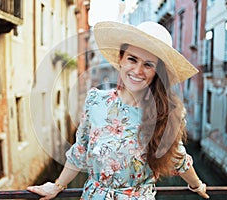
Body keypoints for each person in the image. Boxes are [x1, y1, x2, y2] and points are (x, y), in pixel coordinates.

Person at [27, 21, 210, 200]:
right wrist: (57, 186)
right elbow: (80, 150)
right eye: (132, 59)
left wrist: (197, 185)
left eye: (148, 64)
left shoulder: (165, 113)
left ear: (157, 71)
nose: (138, 70)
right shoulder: (95, 101)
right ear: (121, 59)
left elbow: (179, 158)